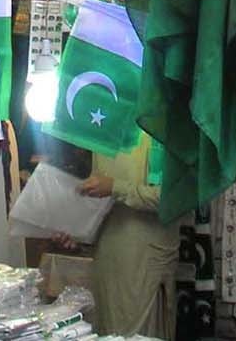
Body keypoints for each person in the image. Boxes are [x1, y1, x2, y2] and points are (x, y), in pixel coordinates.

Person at [50, 133, 180, 339]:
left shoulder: (162, 124)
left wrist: (116, 187)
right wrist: (78, 235)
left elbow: (174, 198)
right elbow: (98, 201)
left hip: (145, 265)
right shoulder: (108, 124)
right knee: (109, 332)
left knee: (139, 334)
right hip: (108, 262)